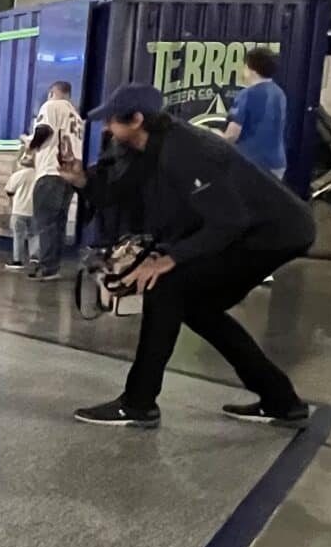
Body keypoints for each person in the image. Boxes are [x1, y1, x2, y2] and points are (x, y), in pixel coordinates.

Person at [65, 84, 314, 429]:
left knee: (167, 288)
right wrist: (80, 180)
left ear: (136, 120)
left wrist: (171, 259)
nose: (106, 128)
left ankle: (139, 403)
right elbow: (117, 190)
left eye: (112, 121)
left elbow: (230, 220)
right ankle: (281, 400)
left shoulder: (186, 149)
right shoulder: (142, 149)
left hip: (273, 233)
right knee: (198, 309)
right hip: (247, 229)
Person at [28, 80, 84, 281]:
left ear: (52, 92)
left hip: (51, 170)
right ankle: (53, 265)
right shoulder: (76, 115)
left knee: (45, 222)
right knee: (59, 223)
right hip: (69, 174)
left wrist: (30, 145)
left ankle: (46, 267)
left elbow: (44, 130)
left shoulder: (51, 106)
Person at [224, 46, 290, 178]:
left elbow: (232, 135)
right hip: (277, 164)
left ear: (251, 70)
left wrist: (216, 138)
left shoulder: (247, 94)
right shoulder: (280, 93)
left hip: (252, 163)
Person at [4, 123, 48, 270]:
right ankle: (35, 258)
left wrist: (11, 203)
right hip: (35, 210)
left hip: (19, 210)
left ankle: (17, 260)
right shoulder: (40, 175)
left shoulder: (18, 175)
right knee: (34, 235)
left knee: (18, 236)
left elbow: (9, 190)